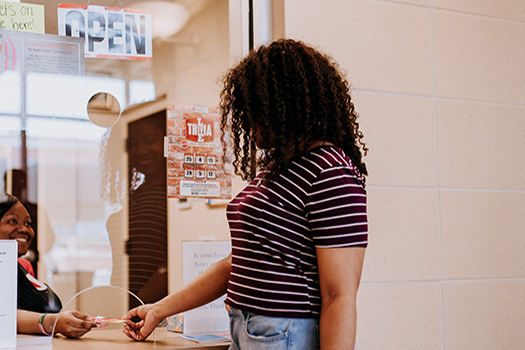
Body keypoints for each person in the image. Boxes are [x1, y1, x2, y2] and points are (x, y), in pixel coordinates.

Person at [122, 39, 369, 350]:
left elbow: (339, 296)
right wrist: (160, 309)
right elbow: (234, 263)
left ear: (282, 104)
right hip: (245, 327)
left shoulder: (330, 170)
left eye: (254, 110)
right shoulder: (278, 166)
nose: (249, 124)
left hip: (283, 332)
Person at [0, 192, 102, 338]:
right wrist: (52, 322)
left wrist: (62, 322)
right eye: (12, 221)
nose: (24, 230)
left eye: (28, 223)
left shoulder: (23, 266)